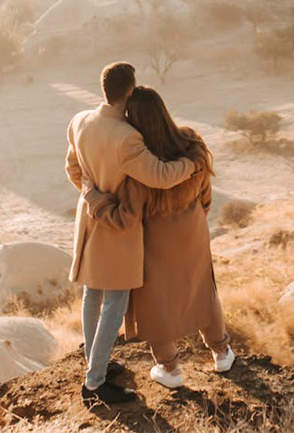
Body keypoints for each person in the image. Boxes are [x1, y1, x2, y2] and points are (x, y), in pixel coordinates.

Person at [65, 62, 197, 405]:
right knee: (115, 302)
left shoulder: (79, 121)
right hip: (116, 229)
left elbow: (73, 169)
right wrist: (193, 164)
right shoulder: (127, 137)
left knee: (92, 295)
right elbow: (161, 176)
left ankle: (97, 364)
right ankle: (95, 383)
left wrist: (91, 195)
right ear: (129, 91)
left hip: (89, 222)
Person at [88, 86, 234, 389]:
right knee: (203, 290)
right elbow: (205, 196)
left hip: (155, 246)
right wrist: (194, 222)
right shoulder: (192, 143)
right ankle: (222, 353)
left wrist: (94, 199)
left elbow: (124, 220)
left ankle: (170, 370)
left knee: (156, 303)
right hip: (193, 232)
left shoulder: (140, 170)